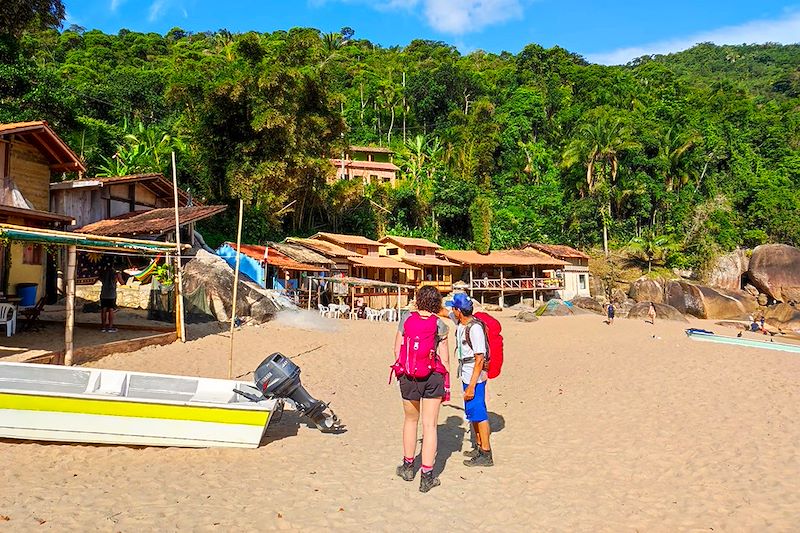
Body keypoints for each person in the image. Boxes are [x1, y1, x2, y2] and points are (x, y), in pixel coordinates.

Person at [393, 286, 450, 492]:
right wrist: (447, 382)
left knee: (410, 420)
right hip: (433, 376)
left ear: (418, 300)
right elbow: (444, 358)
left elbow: (397, 348)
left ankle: (408, 467)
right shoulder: (440, 325)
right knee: (430, 426)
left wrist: (406, 367)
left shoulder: (406, 319)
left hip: (409, 376)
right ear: (437, 303)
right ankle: (427, 476)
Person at [446, 292, 494, 467]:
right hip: (466, 372)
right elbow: (443, 312)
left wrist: (472, 386)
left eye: (454, 307)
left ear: (459, 310)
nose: (451, 310)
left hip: (475, 375)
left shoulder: (474, 328)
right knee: (472, 413)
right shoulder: (460, 322)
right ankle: (479, 446)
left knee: (479, 413)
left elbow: (479, 358)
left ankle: (486, 453)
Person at [99, 264, 123, 333]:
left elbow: (100, 279)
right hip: (111, 294)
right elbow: (122, 282)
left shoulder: (102, 272)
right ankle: (110, 327)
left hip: (103, 293)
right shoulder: (116, 274)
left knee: (103, 310)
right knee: (111, 310)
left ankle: (103, 327)